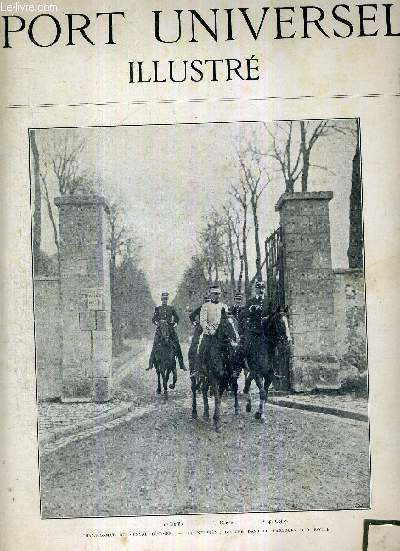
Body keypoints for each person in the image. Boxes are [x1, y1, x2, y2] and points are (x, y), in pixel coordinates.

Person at [234, 281, 269, 373]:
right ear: (256, 290)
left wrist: (267, 318)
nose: (261, 290)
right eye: (259, 288)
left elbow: (272, 313)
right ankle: (239, 367)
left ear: (264, 289)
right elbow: (242, 315)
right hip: (253, 330)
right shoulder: (251, 301)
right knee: (244, 347)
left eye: (263, 288)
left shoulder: (268, 301)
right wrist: (250, 310)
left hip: (265, 331)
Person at [147, 291, 187, 372]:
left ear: (167, 300)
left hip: (170, 329)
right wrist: (158, 323)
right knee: (154, 345)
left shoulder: (171, 308)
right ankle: (150, 364)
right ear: (161, 300)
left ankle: (181, 364)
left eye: (166, 299)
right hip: (160, 330)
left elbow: (177, 318)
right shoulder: (158, 308)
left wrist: (174, 324)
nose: (164, 300)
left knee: (177, 344)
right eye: (163, 299)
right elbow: (153, 319)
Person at [188, 292, 210, 374]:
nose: (207, 302)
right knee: (199, 342)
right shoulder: (200, 308)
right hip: (201, 329)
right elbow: (191, 316)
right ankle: (196, 363)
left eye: (209, 300)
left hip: (212, 329)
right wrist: (195, 324)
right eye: (206, 300)